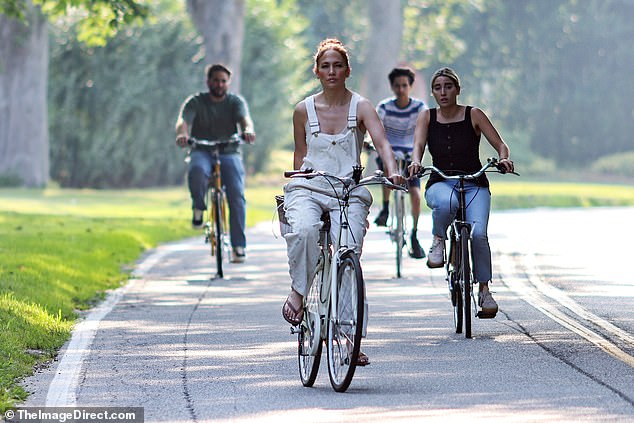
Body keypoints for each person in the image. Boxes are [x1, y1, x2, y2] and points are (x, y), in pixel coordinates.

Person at [281, 38, 405, 365]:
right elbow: (300, 155)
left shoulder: (361, 107)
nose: (332, 71)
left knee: (348, 253)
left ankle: (350, 339)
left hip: (347, 190)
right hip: (308, 188)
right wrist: (296, 181)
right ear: (317, 71)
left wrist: (392, 173)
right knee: (306, 230)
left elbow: (382, 144)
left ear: (347, 70)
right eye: (326, 66)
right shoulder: (302, 110)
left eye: (338, 65)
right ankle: (299, 288)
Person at [408, 67, 514, 316]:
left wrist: (504, 158)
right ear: (433, 92)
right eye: (437, 87)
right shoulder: (427, 117)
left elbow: (500, 144)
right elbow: (418, 146)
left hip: (474, 182)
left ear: (457, 89)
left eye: (448, 87)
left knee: (479, 235)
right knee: (447, 203)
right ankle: (438, 240)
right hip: (441, 181)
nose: (443, 92)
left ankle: (485, 291)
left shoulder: (473, 114)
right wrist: (414, 162)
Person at [175, 64, 256, 264]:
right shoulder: (195, 102)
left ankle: (238, 246)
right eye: (216, 80)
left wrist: (248, 130)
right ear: (208, 81)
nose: (219, 84)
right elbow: (183, 121)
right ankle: (198, 207)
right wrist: (182, 134)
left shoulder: (234, 102)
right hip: (201, 149)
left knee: (236, 195)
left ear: (228, 83)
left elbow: (245, 120)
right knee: (197, 170)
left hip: (228, 151)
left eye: (223, 81)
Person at [373, 67, 427, 259]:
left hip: (412, 155)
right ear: (392, 87)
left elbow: (424, 131)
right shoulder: (385, 107)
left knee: (415, 193)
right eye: (397, 86)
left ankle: (414, 233)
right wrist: (372, 144)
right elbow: (377, 128)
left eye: (404, 85)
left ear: (410, 86)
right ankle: (386, 208)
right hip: (390, 152)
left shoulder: (420, 108)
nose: (401, 89)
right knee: (389, 169)